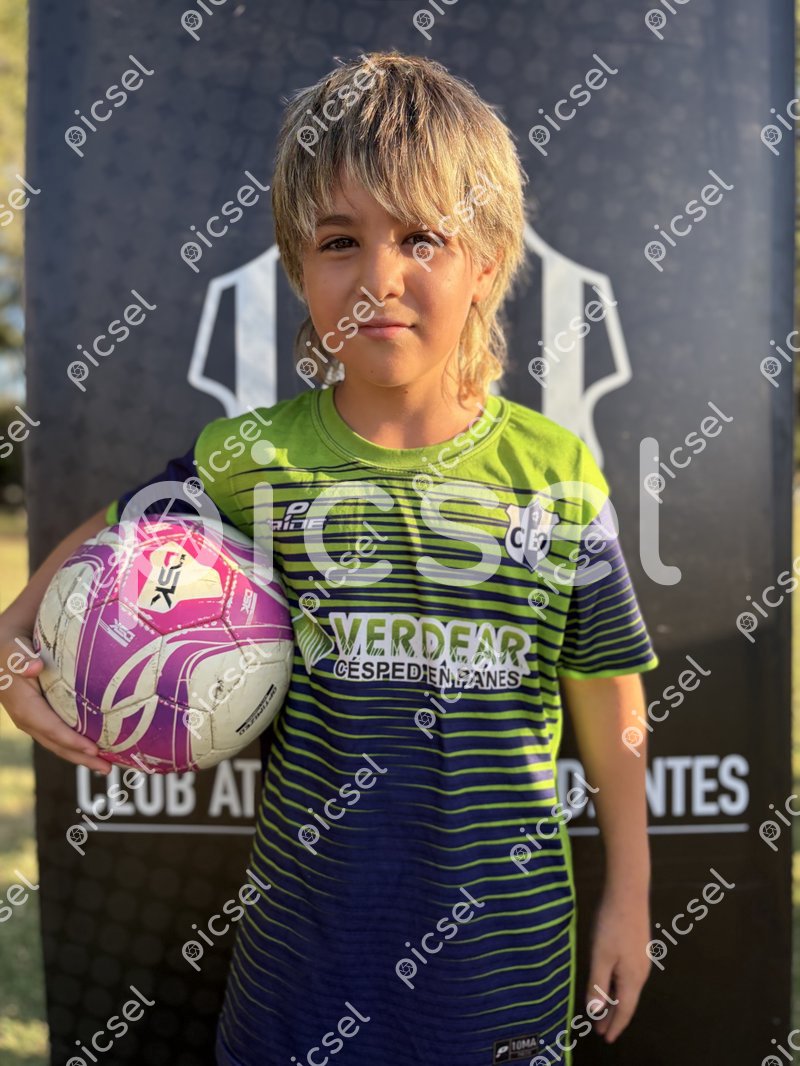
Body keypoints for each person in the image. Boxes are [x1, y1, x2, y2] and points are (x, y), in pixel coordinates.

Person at [1, 50, 659, 1066]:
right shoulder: (254, 457)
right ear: (298, 268)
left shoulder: (555, 471)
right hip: (299, 978)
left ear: (486, 261)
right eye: (340, 240)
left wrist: (632, 892)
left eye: (422, 238)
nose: (379, 278)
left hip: (499, 971)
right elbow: (110, 534)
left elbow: (608, 692)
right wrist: (14, 642)